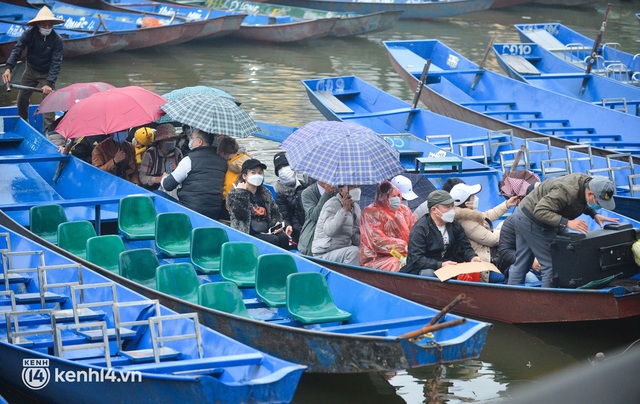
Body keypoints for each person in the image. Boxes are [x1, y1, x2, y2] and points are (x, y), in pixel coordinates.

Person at [508, 174, 619, 288]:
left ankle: (511, 298)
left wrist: (594, 214)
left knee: (522, 263)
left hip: (526, 214)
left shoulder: (586, 184)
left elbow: (579, 200)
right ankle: (546, 303)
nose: (600, 205)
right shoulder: (565, 191)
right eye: (599, 202)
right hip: (532, 219)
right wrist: (567, 223)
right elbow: (540, 211)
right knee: (552, 266)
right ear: (590, 193)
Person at [2, 6, 64, 131]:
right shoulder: (29, 33)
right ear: (38, 24)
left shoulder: (57, 40)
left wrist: (49, 83)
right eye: (44, 25)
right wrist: (9, 68)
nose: (47, 28)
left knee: (49, 103)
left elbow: (56, 63)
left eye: (49, 25)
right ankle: (23, 122)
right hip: (30, 70)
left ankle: (49, 131)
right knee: (22, 99)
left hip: (46, 73)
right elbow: (17, 50)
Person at [400, 190, 481, 277]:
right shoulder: (420, 229)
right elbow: (417, 259)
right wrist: (440, 265)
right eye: (447, 207)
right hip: (423, 269)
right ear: (434, 210)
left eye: (452, 206)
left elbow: (465, 246)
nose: (452, 210)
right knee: (429, 274)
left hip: (449, 266)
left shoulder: (454, 225)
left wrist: (472, 257)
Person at [161, 128, 227, 220]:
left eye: (192, 138)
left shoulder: (189, 160)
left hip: (189, 211)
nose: (190, 141)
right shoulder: (222, 162)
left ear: (199, 142)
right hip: (214, 212)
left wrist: (164, 178)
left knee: (158, 194)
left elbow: (168, 185)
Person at [226, 158, 289, 249]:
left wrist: (277, 224)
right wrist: (241, 193)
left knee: (283, 237)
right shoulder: (234, 193)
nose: (257, 175)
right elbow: (240, 215)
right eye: (253, 172)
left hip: (265, 230)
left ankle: (285, 261)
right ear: (244, 176)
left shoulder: (265, 192)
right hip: (247, 233)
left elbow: (275, 212)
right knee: (273, 240)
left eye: (260, 173)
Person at [449, 183, 519, 263]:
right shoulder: (466, 223)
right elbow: (494, 240)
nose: (475, 198)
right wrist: (506, 225)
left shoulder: (467, 215)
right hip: (485, 261)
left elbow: (486, 216)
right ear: (467, 204)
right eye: (472, 197)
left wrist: (507, 204)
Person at [360, 181, 416, 272]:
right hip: (378, 258)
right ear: (384, 197)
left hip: (404, 253)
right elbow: (376, 241)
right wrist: (403, 245)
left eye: (398, 195)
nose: (397, 199)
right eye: (393, 197)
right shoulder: (370, 213)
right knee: (395, 263)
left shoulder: (404, 210)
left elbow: (415, 229)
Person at [312, 184, 362, 265]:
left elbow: (353, 234)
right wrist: (344, 211)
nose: (357, 189)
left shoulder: (356, 208)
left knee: (365, 252)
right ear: (341, 191)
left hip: (343, 249)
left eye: (359, 186)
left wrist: (367, 242)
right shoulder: (331, 204)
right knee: (354, 252)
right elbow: (329, 231)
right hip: (325, 252)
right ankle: (346, 277)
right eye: (352, 187)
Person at [273, 152, 314, 246]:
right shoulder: (280, 193)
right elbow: (285, 215)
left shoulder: (307, 184)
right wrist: (288, 226)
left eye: (286, 165)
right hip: (297, 230)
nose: (283, 170)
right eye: (280, 168)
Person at [139, 124, 183, 194]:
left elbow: (183, 176)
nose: (172, 141)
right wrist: (157, 179)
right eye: (168, 139)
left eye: (173, 139)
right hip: (153, 190)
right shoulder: (150, 153)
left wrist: (177, 170)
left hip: (173, 189)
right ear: (160, 141)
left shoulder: (177, 152)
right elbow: (142, 178)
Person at [297, 180, 336, 256]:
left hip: (332, 229)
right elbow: (314, 216)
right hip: (313, 231)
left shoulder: (337, 191)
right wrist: (327, 194)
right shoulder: (307, 193)